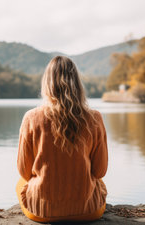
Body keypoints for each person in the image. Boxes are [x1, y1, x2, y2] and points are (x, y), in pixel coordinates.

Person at [16, 56, 108, 222]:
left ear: (47, 84)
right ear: (77, 85)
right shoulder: (95, 118)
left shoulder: (31, 117)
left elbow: (25, 171)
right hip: (88, 211)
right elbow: (100, 171)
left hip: (42, 213)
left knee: (20, 184)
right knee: (98, 183)